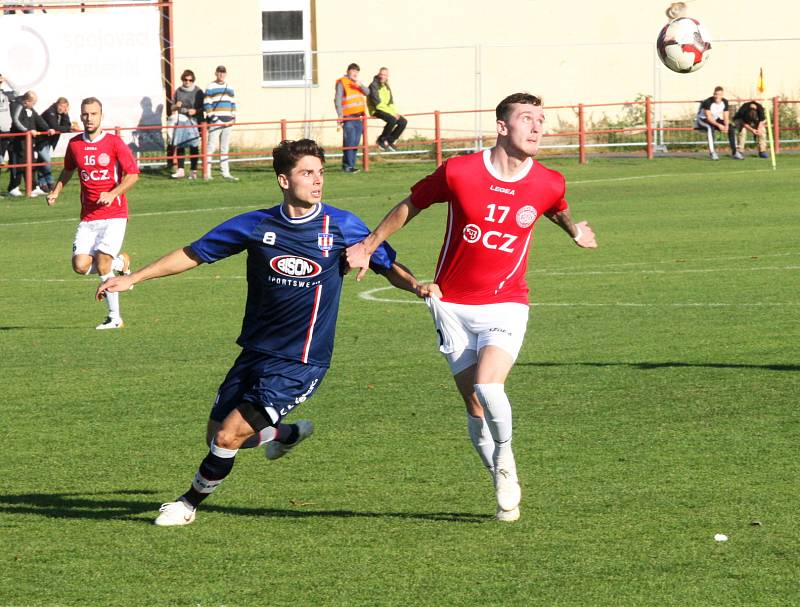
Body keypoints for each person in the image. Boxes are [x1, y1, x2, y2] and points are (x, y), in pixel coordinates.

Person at [96, 139, 423, 526]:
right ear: (284, 180)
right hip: (255, 351)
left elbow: (388, 264)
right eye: (307, 173)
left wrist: (420, 287)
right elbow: (194, 253)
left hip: (301, 360)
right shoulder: (256, 225)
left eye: (320, 172)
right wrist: (134, 278)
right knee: (218, 436)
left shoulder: (343, 226)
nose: (317, 181)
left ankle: (187, 505)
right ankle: (282, 435)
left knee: (226, 438)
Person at [346, 92, 598, 522]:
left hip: (507, 304)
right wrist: (369, 246)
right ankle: (496, 467)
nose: (538, 127)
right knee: (475, 406)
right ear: (502, 126)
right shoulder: (460, 171)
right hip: (451, 306)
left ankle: (505, 461)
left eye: (541, 119)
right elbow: (413, 203)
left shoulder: (549, 180)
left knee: (489, 386)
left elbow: (555, 207)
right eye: (527, 119)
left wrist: (574, 231)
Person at [45, 97, 140, 330]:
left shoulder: (115, 143)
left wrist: (113, 192)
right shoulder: (75, 144)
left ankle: (114, 317)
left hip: (115, 214)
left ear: (101, 115)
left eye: (93, 114)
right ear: (81, 115)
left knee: (103, 263)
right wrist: (56, 191)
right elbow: (68, 169)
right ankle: (122, 261)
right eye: (85, 114)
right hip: (88, 217)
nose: (89, 118)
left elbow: (132, 174)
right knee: (79, 265)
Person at [7, 91, 54, 197]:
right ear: (27, 101)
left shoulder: (30, 109)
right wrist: (27, 131)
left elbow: (39, 119)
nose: (34, 105)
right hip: (17, 143)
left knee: (32, 163)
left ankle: (33, 187)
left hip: (29, 143)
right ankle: (13, 187)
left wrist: (48, 129)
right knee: (18, 165)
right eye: (33, 102)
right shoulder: (17, 106)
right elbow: (16, 120)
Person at [203, 65, 237, 181]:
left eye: (223, 72)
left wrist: (233, 118)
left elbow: (233, 103)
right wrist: (215, 119)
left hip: (228, 122)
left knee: (224, 148)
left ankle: (226, 173)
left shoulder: (230, 87)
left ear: (226, 74)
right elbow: (207, 104)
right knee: (211, 147)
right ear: (216, 73)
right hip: (215, 122)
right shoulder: (210, 86)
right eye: (219, 72)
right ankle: (207, 172)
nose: (221, 74)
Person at [170, 69, 204, 179]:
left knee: (194, 146)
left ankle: (193, 171)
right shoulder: (178, 91)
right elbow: (172, 107)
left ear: (193, 80)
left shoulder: (198, 91)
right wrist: (176, 106)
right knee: (180, 145)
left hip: (194, 120)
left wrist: (195, 111)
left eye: (190, 80)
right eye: (185, 79)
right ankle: (180, 170)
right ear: (182, 80)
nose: (188, 82)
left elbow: (204, 107)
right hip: (181, 119)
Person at [334, 63, 368, 173]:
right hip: (348, 117)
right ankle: (348, 166)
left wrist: (360, 85)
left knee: (355, 143)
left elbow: (368, 92)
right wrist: (340, 115)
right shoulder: (342, 82)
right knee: (349, 142)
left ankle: (351, 165)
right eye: (353, 71)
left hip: (359, 117)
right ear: (348, 71)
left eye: (357, 72)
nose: (355, 73)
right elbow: (338, 100)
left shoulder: (357, 84)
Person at [37, 97, 74, 192]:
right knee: (47, 160)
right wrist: (66, 128)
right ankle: (50, 182)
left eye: (65, 107)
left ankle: (42, 183)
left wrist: (65, 114)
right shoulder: (50, 112)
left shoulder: (60, 114)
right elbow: (55, 127)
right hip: (40, 140)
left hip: (48, 140)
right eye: (61, 106)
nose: (63, 108)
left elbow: (67, 125)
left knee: (42, 161)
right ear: (57, 104)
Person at [368, 67, 407, 152]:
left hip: (386, 110)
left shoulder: (386, 86)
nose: (382, 76)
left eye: (384, 75)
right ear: (378, 75)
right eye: (381, 74)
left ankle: (389, 141)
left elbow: (390, 102)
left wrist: (394, 112)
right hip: (376, 110)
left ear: (387, 76)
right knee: (392, 120)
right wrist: (392, 114)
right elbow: (378, 104)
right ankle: (381, 140)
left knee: (403, 122)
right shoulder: (373, 85)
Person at [695, 86, 730, 161]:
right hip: (702, 119)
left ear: (722, 95)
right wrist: (719, 125)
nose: (717, 96)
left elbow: (726, 116)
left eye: (719, 94)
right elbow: (708, 117)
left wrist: (726, 126)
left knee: (731, 127)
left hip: (713, 119)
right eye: (716, 94)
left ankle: (735, 151)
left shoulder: (725, 102)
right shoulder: (708, 102)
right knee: (710, 128)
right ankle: (712, 152)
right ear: (713, 94)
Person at [0, 73, 20, 186]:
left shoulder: (6, 94)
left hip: (7, 130)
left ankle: (13, 187)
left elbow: (17, 92)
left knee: (13, 160)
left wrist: (6, 79)